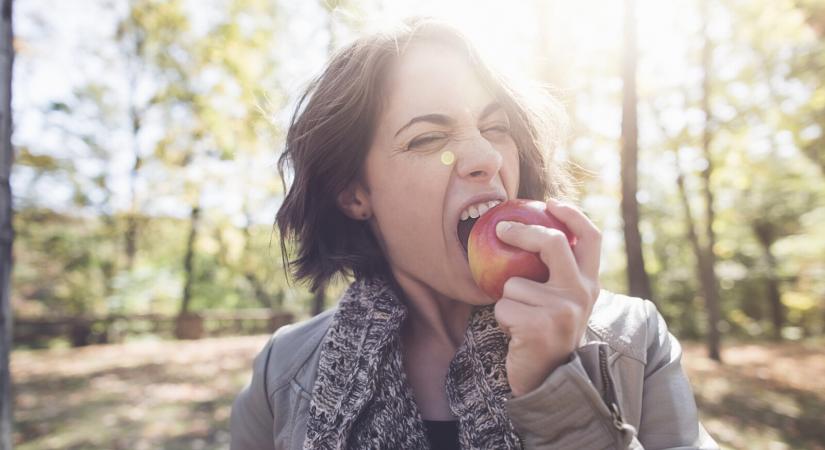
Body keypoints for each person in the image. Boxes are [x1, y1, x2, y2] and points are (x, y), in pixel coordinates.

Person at [230, 17, 719, 450]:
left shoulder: (635, 340)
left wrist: (558, 389)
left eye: (496, 126)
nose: (487, 157)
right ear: (355, 193)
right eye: (428, 138)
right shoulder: (282, 373)